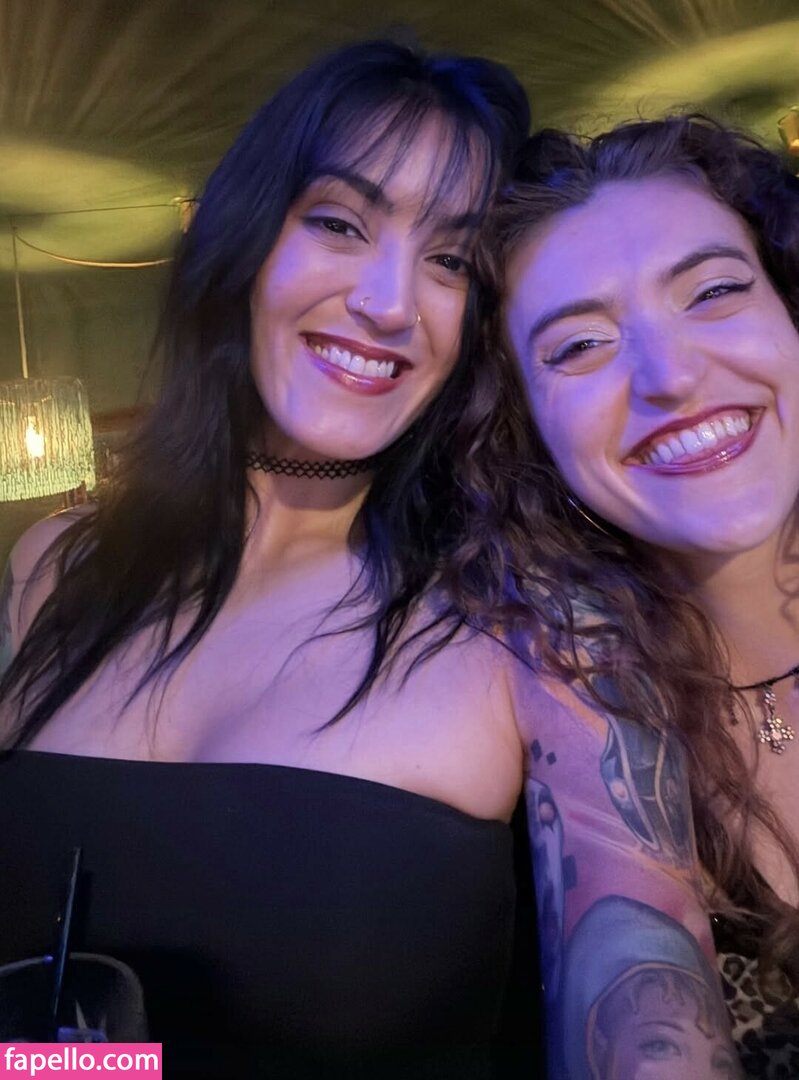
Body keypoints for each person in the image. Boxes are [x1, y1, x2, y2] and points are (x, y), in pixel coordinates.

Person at [0, 40, 741, 1078]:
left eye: (449, 261)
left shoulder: (536, 614)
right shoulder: (54, 568)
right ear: (244, 239)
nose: (391, 303)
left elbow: (645, 984)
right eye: (340, 224)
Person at [494, 114, 799, 1076]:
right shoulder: (569, 677)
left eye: (713, 291)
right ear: (522, 425)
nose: (670, 376)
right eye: (579, 346)